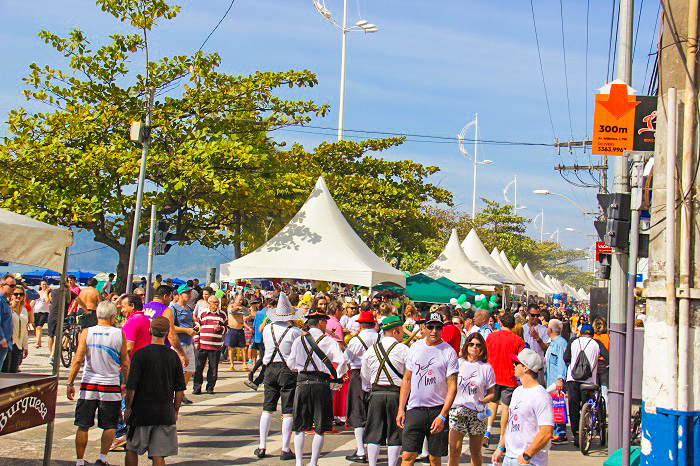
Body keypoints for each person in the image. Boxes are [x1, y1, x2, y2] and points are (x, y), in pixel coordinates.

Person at [67, 301, 129, 466]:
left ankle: (79, 461)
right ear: (112, 317)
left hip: (89, 385)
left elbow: (78, 359)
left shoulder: (87, 332)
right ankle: (101, 458)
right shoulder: (119, 334)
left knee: (83, 424)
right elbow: (125, 362)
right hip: (110, 384)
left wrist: (70, 382)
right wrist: (127, 383)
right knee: (109, 425)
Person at [397, 311, 459, 466]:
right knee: (407, 456)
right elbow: (407, 379)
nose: (434, 331)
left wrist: (443, 415)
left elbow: (452, 387)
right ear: (424, 327)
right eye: (430, 326)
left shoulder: (449, 352)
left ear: (442, 329)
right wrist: (401, 409)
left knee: (434, 458)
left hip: (437, 410)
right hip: (415, 409)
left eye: (438, 327)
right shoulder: (415, 348)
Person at [288, 308, 348, 466]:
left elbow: (291, 364)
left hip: (301, 382)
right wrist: (338, 378)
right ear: (320, 322)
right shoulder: (328, 341)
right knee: (320, 427)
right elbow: (341, 363)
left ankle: (299, 463)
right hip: (321, 384)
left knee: (300, 426)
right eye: (325, 322)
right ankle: (313, 463)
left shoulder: (298, 340)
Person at [125, 316, 185, 466]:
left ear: (150, 330)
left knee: (132, 448)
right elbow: (179, 389)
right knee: (158, 454)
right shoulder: (173, 356)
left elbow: (131, 386)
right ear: (166, 333)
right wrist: (175, 410)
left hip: (141, 411)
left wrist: (128, 408)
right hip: (164, 412)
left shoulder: (140, 354)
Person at [255, 293, 303, 460]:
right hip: (288, 370)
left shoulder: (267, 328)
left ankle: (262, 446)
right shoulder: (295, 331)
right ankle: (284, 448)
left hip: (270, 368)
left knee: (267, 408)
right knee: (288, 410)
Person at [491, 349, 554, 466]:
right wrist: (500, 447)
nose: (513, 365)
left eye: (516, 363)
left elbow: (546, 432)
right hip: (509, 457)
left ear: (526, 368)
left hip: (529, 461)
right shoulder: (518, 391)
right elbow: (511, 424)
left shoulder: (541, 396)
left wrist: (527, 455)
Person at [360, 315, 408, 466]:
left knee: (373, 431)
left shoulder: (371, 350)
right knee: (394, 432)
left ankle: (372, 464)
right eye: (401, 331)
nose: (403, 334)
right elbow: (409, 375)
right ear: (395, 332)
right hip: (396, 394)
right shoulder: (404, 349)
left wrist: (369, 389)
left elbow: (365, 375)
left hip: (376, 393)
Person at [447, 332, 495, 466]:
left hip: (477, 412)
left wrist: (484, 400)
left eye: (478, 345)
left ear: (482, 349)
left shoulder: (486, 368)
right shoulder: (458, 363)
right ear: (466, 345)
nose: (474, 347)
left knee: (476, 452)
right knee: (454, 450)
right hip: (458, 410)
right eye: (471, 344)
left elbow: (492, 393)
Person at [483, 312, 525, 448]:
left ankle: (487, 432)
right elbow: (521, 360)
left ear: (500, 323)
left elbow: (485, 354)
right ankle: (503, 439)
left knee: (492, 404)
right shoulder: (518, 340)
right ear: (513, 325)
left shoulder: (491, 336)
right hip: (509, 378)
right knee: (506, 409)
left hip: (493, 377)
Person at [344, 310, 380, 463]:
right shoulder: (381, 337)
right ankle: (373, 449)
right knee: (374, 412)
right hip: (378, 375)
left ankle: (361, 450)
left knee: (358, 411)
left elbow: (346, 358)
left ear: (360, 324)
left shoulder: (355, 340)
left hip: (358, 375)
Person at [564, 323, 601, 447]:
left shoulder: (573, 342)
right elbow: (607, 357)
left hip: (572, 379)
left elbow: (566, 358)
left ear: (580, 333)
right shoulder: (597, 344)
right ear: (592, 334)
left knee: (573, 407)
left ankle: (576, 434)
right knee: (588, 404)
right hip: (589, 382)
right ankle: (588, 423)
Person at [144, 285, 188, 369]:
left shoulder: (144, 307)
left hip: (143, 349)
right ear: (165, 296)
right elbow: (171, 335)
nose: (171, 300)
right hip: (159, 350)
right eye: (170, 297)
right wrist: (181, 354)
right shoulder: (165, 310)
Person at [193, 294, 227, 395]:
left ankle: (210, 387)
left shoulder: (222, 315)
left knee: (213, 368)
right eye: (214, 303)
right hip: (202, 344)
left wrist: (221, 329)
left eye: (218, 302)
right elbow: (196, 327)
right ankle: (197, 387)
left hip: (215, 346)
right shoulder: (202, 313)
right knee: (199, 367)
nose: (216, 305)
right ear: (209, 303)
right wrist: (196, 341)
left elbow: (227, 328)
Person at [48, 283, 88, 365]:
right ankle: (53, 355)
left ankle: (51, 354)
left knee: (51, 336)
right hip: (61, 316)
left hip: (51, 316)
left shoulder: (54, 291)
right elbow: (80, 302)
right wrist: (86, 311)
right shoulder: (70, 294)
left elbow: (50, 300)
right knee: (58, 336)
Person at [171, 288, 197, 403]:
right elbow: (171, 327)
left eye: (190, 293)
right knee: (177, 371)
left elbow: (192, 322)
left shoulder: (189, 308)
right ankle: (174, 394)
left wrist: (195, 327)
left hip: (189, 342)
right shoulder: (173, 308)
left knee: (190, 370)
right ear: (181, 294)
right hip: (178, 343)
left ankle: (181, 392)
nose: (189, 295)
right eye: (187, 293)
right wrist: (186, 330)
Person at [544, 319, 568, 444]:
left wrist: (560, 378)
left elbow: (561, 362)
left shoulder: (560, 343)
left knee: (558, 406)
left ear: (550, 330)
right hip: (550, 379)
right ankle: (556, 431)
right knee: (553, 406)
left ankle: (561, 433)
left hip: (555, 381)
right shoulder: (553, 343)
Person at [2, 285, 29, 373]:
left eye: (21, 294)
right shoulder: (8, 309)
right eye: (16, 294)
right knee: (5, 369)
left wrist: (26, 346)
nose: (18, 296)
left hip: (19, 343)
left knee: (14, 370)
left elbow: (25, 328)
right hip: (9, 341)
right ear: (12, 295)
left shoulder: (24, 310)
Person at [592, 317, 610, 405]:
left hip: (594, 364)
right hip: (604, 365)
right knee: (604, 390)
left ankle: (595, 409)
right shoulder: (608, 337)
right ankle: (604, 410)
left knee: (595, 390)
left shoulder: (592, 337)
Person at [32, 280, 51, 348]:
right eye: (43, 284)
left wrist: (46, 292)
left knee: (40, 326)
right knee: (37, 327)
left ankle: (37, 342)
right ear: (40, 285)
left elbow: (47, 300)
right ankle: (39, 341)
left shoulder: (48, 293)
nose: (44, 286)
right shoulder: (37, 293)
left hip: (44, 312)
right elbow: (33, 302)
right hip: (36, 311)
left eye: (45, 284)